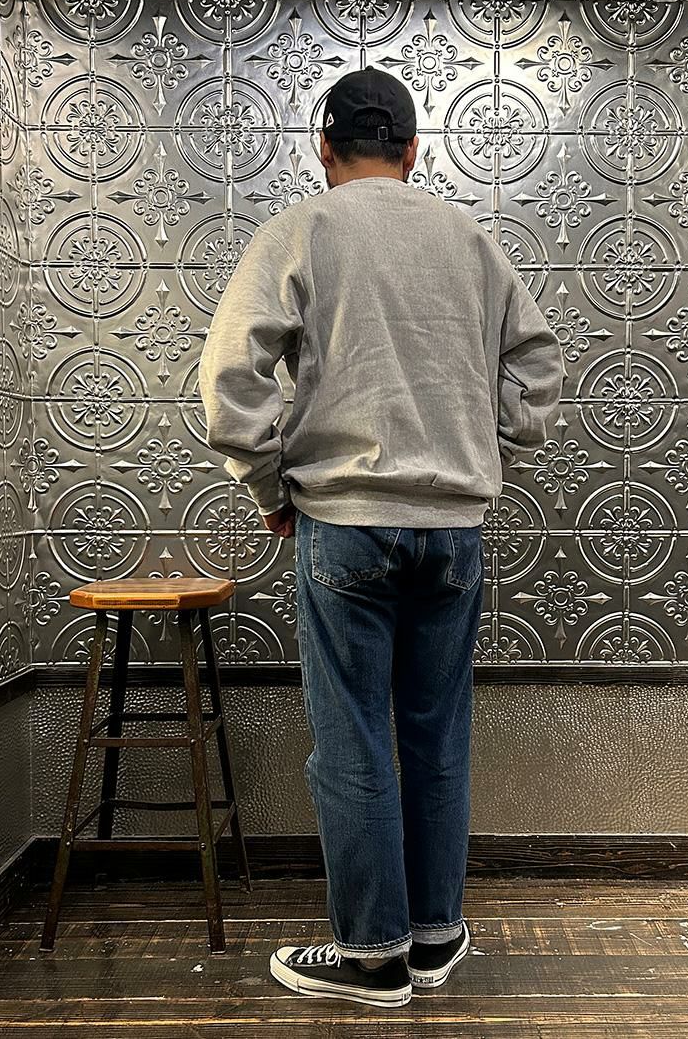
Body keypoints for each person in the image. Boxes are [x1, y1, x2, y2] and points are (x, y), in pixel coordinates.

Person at [198, 66, 566, 1008]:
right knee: (437, 732)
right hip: (454, 529)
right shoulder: (470, 238)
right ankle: (436, 936)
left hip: (345, 524)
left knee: (353, 738)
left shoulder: (302, 230)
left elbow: (230, 384)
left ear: (323, 149)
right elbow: (536, 367)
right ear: (413, 150)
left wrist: (270, 486)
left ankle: (373, 955)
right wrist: (487, 450)